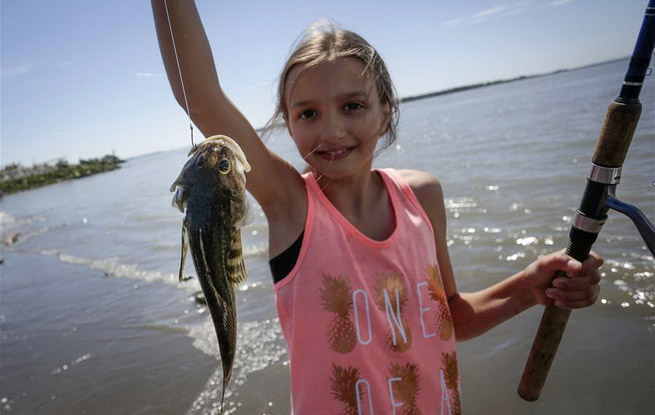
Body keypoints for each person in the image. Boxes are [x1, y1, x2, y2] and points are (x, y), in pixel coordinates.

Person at [151, 1, 603, 413]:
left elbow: (452, 318)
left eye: (352, 105)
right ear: (287, 125)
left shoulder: (422, 197)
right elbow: (201, 95)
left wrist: (529, 287)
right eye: (307, 113)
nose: (332, 130)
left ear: (385, 112)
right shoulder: (291, 206)